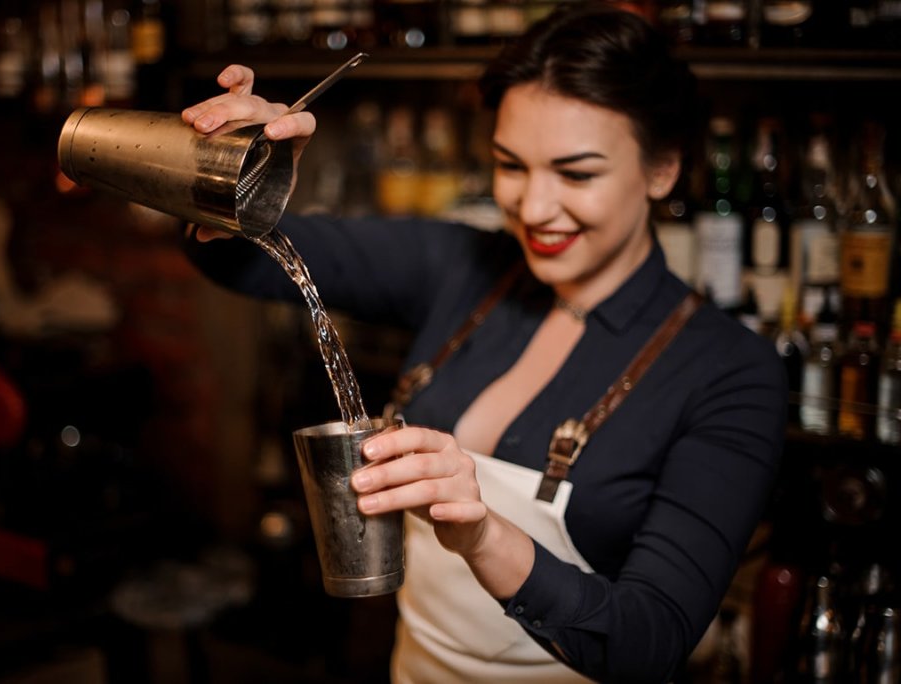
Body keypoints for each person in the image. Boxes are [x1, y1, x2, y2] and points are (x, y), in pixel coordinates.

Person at [180, 2, 787, 682]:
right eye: (511, 165)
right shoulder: (462, 266)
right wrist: (244, 170)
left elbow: (648, 641)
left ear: (663, 169)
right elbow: (236, 260)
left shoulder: (731, 372)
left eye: (576, 173)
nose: (533, 207)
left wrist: (484, 534)